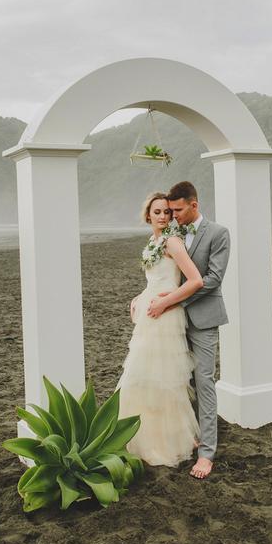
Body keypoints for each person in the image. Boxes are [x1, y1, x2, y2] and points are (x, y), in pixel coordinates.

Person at [147, 182, 230, 479]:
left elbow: (213, 279)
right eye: (169, 211)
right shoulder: (174, 233)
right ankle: (187, 435)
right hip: (173, 322)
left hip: (203, 318)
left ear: (194, 204)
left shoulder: (218, 233)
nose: (173, 215)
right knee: (178, 380)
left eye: (178, 210)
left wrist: (172, 301)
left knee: (204, 381)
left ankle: (207, 453)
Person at [116, 192, 204, 468]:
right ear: (148, 215)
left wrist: (164, 302)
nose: (163, 217)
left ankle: (170, 439)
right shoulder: (153, 242)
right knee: (143, 377)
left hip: (166, 315)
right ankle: (143, 436)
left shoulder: (173, 242)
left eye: (167, 212)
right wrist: (140, 297)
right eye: (158, 212)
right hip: (149, 312)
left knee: (164, 380)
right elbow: (156, 279)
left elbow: (195, 281)